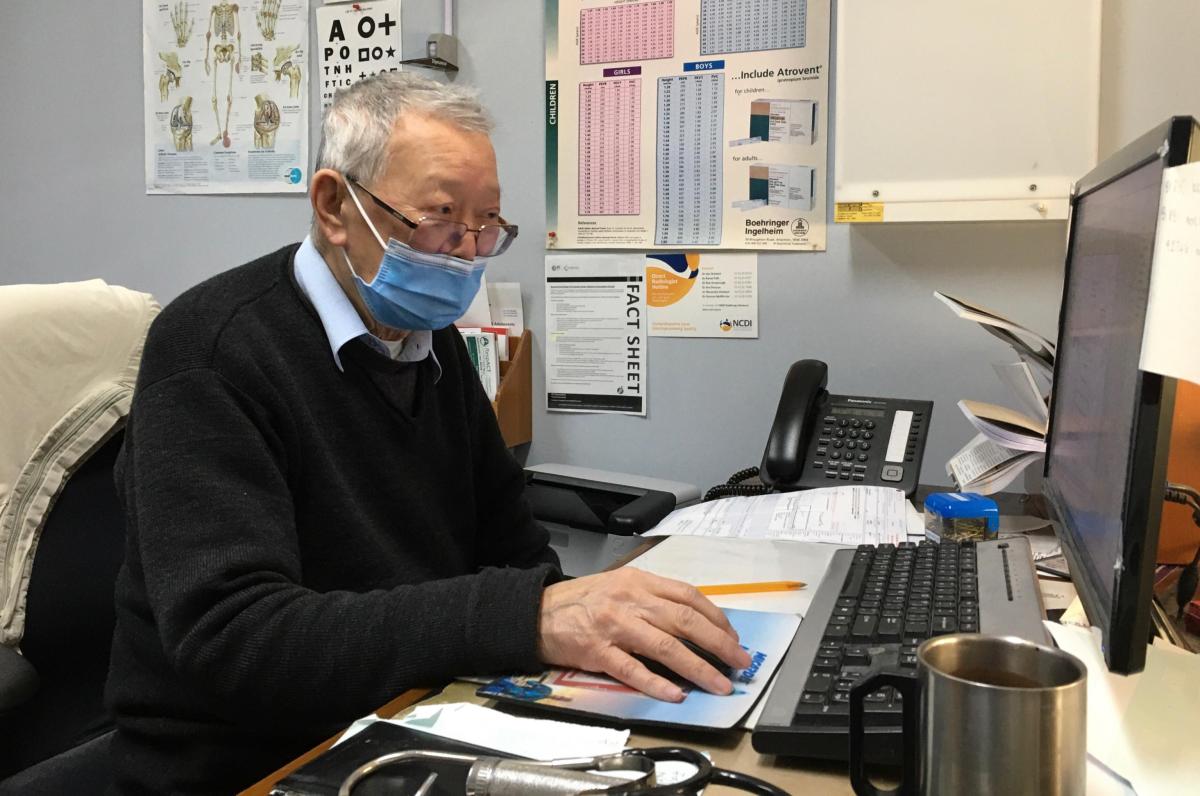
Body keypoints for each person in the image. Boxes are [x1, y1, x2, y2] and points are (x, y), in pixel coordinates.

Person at [105, 72, 751, 794]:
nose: (466, 254)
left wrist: (592, 635)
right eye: (441, 218)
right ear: (334, 206)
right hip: (245, 761)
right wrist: (528, 618)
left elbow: (512, 552)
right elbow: (236, 638)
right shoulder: (211, 351)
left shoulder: (426, 340)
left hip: (411, 718)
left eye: (488, 226)